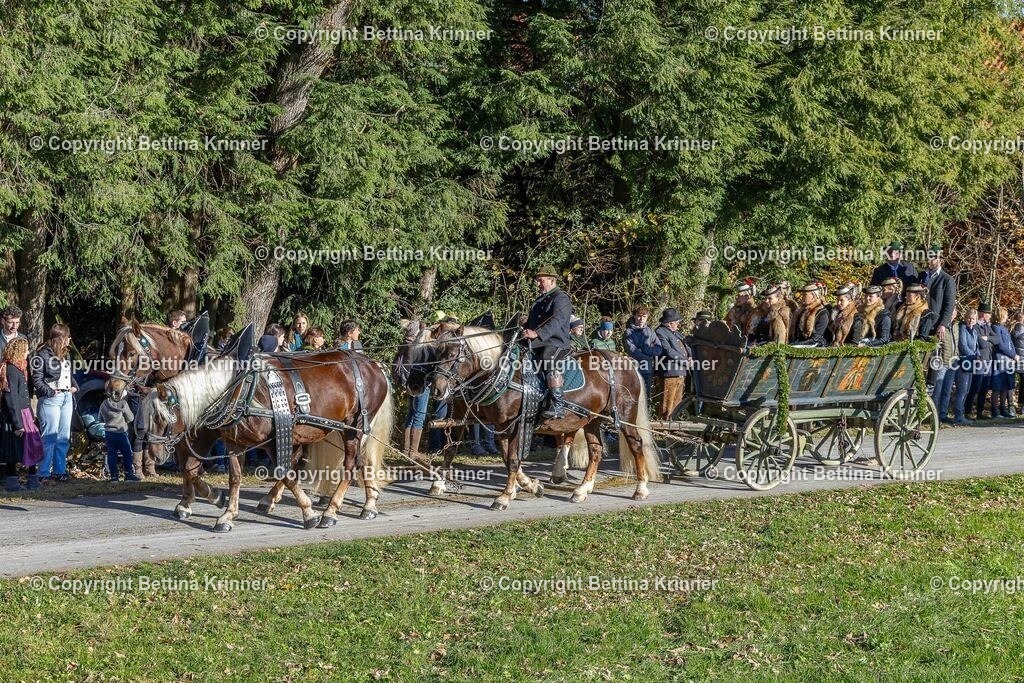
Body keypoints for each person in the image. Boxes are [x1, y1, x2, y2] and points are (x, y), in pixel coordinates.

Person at [521, 264, 573, 420]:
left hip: (556, 342)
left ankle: (558, 406)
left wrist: (536, 333)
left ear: (552, 280)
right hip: (537, 341)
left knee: (547, 359)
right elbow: (531, 323)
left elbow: (557, 322)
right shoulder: (539, 300)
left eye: (540, 280)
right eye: (537, 280)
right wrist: (522, 330)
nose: (537, 284)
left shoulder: (561, 299)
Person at [32, 324, 77, 482]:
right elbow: (36, 379)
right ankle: (43, 472)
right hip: (51, 399)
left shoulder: (66, 354)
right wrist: (51, 392)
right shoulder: (42, 354)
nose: (69, 340)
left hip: (66, 398)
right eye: (67, 337)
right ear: (60, 338)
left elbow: (68, 374)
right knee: (49, 437)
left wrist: (74, 387)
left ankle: (60, 470)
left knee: (63, 437)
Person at [0, 338, 33, 491]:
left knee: (32, 445)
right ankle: (12, 484)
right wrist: (18, 423)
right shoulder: (11, 369)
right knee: (12, 450)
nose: (28, 352)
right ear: (19, 350)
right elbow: (11, 397)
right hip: (15, 415)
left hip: (24, 412)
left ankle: (33, 480)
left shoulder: (19, 368)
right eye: (26, 349)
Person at [393, 320, 428, 463]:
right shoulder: (416, 346)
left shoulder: (404, 344)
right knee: (419, 415)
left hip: (407, 382)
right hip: (419, 383)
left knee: (411, 414)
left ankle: (406, 449)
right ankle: (413, 452)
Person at [99, 383, 140, 482]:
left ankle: (114, 477)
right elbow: (130, 418)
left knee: (111, 454)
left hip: (109, 432)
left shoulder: (104, 404)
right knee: (127, 453)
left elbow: (100, 419)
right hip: (121, 432)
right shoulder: (123, 404)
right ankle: (128, 474)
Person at [654, 308, 689, 419]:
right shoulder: (660, 332)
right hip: (669, 371)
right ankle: (664, 428)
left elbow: (686, 344)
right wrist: (685, 361)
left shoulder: (676, 332)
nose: (678, 325)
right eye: (677, 322)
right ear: (670, 324)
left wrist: (691, 357)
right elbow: (667, 350)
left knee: (677, 404)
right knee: (667, 404)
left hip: (680, 371)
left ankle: (672, 425)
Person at [919, 246, 956, 343]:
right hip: (918, 321)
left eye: (933, 257)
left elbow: (949, 305)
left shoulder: (947, 279)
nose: (929, 260)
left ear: (941, 260)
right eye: (928, 257)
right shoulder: (921, 276)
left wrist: (943, 324)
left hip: (934, 325)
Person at [965, 303, 995, 420]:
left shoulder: (987, 326)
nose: (989, 315)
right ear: (983, 313)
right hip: (979, 360)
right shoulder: (976, 326)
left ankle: (980, 412)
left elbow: (997, 339)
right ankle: (967, 411)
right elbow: (981, 344)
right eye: (988, 313)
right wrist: (988, 342)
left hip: (988, 360)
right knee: (975, 387)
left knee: (984, 388)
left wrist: (988, 339)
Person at [624, 305, 661, 396]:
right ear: (635, 316)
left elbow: (658, 348)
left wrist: (646, 350)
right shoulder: (628, 332)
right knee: (633, 395)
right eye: (639, 316)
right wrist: (648, 358)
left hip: (647, 369)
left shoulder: (650, 331)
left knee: (646, 394)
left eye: (644, 316)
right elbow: (632, 350)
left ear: (647, 317)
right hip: (633, 368)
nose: (641, 319)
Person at [990, 307, 1018, 418]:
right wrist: (1013, 355)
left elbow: (1010, 343)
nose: (1007, 317)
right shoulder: (995, 328)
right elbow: (1000, 345)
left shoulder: (1004, 328)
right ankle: (995, 410)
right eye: (1005, 314)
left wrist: (1014, 356)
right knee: (997, 386)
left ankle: (1003, 408)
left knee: (1006, 386)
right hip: (1000, 360)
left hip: (1009, 361)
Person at [953, 309, 980, 425]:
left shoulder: (974, 331)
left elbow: (976, 346)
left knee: (967, 390)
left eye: (973, 319)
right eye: (969, 318)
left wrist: (977, 355)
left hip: (971, 363)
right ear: (965, 318)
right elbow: (963, 346)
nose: (970, 321)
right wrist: (974, 356)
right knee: (962, 390)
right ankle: (958, 416)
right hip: (963, 361)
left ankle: (962, 414)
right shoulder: (962, 328)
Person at [933, 307, 959, 420]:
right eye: (950, 312)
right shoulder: (941, 326)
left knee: (947, 390)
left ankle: (943, 413)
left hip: (953, 362)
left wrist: (957, 355)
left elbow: (956, 343)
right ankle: (933, 414)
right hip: (942, 361)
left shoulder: (956, 326)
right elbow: (936, 343)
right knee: (937, 389)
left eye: (954, 312)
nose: (952, 315)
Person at [1012, 312, 1024, 415]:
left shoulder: (1012, 328)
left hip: (1014, 358)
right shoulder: (1021, 328)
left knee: (1011, 384)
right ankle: (1021, 406)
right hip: (1021, 359)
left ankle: (1014, 406)